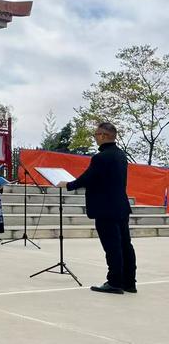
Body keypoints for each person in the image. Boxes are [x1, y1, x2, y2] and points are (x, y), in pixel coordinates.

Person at [59, 122, 136, 294]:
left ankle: (115, 282)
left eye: (96, 135)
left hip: (105, 208)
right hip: (120, 206)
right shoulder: (121, 155)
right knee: (125, 244)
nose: (95, 138)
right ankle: (129, 282)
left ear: (103, 135)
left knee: (112, 246)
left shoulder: (101, 157)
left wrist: (68, 185)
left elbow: (88, 178)